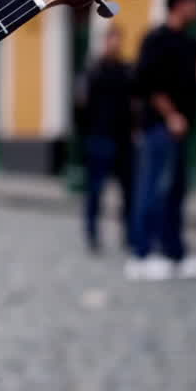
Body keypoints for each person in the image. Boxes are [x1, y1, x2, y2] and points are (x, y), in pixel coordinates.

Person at [127, 0, 196, 281]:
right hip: (159, 127)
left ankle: (175, 252)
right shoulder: (157, 38)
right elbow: (147, 83)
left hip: (181, 129)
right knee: (152, 190)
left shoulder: (189, 41)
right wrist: (171, 115)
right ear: (180, 4)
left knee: (176, 192)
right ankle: (142, 254)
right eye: (193, 2)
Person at [77, 25, 134, 253]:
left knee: (128, 191)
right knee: (95, 191)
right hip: (98, 137)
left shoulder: (126, 70)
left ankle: (129, 234)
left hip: (123, 139)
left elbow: (133, 103)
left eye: (118, 40)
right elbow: (81, 107)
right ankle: (92, 234)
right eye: (112, 39)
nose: (115, 44)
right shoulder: (94, 71)